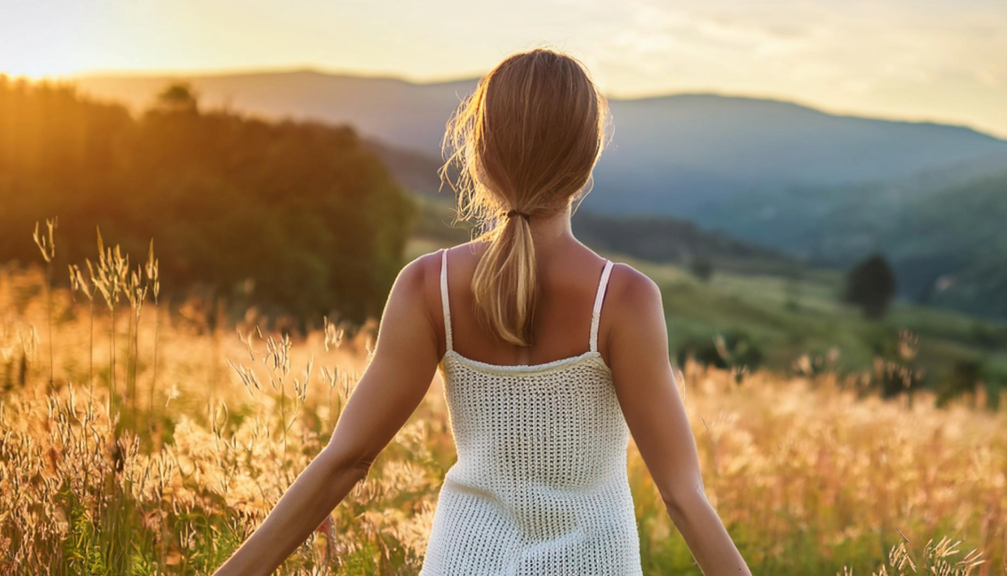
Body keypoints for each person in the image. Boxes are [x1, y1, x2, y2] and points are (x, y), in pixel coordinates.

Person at [213, 48, 751, 576]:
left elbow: (345, 461)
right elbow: (682, 498)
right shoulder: (625, 299)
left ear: (481, 158)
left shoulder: (427, 287)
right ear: (586, 164)